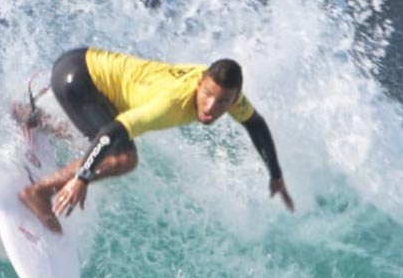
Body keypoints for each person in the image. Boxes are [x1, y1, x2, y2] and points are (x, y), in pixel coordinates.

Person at [18, 47, 294, 233]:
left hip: (84, 64)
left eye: (222, 102)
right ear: (200, 84)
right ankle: (39, 192)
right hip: (78, 79)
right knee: (122, 157)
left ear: (234, 101)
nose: (211, 106)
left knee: (97, 137)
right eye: (207, 95)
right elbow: (113, 131)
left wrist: (276, 175)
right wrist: (82, 178)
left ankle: (35, 119)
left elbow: (255, 124)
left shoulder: (228, 95)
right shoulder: (171, 104)